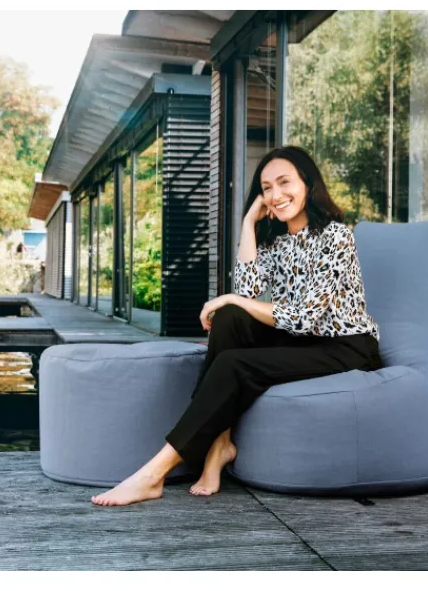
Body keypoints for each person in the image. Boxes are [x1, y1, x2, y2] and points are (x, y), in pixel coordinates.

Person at [91, 146, 382, 507]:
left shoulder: (336, 236)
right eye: (267, 187)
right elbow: (247, 292)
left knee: (233, 354)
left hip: (347, 346)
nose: (276, 195)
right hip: (302, 340)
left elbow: (305, 317)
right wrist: (248, 223)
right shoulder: (279, 241)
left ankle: (153, 475)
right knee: (230, 317)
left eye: (285, 182)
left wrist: (232, 299)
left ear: (308, 184)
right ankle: (219, 444)